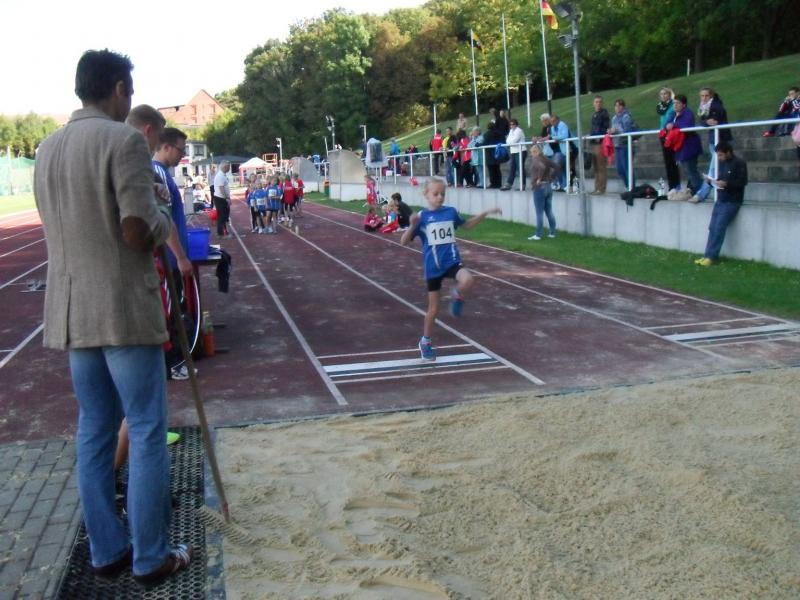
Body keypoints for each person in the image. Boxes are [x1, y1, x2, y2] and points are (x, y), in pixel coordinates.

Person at [33, 49, 192, 587]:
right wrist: (161, 212)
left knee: (95, 431)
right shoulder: (123, 141)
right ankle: (151, 557)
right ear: (120, 88)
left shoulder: (47, 148)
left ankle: (107, 550)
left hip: (73, 311)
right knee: (146, 430)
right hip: (123, 308)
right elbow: (135, 230)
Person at [400, 178, 501, 361]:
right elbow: (403, 241)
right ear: (426, 195)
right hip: (433, 268)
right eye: (435, 194)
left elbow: (467, 225)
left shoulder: (450, 212)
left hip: (452, 262)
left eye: (443, 194)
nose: (440, 197)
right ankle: (425, 341)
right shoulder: (422, 217)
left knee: (468, 279)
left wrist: (485, 213)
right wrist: (413, 225)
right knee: (434, 309)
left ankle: (457, 293)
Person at [152, 127, 196, 381]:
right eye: (181, 149)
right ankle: (174, 364)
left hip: (170, 259)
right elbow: (164, 220)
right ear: (167, 147)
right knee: (173, 313)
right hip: (167, 261)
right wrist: (179, 257)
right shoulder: (158, 173)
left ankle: (174, 362)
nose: (182, 155)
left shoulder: (163, 173)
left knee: (176, 310)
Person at [694, 141, 748, 266]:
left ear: (728, 152)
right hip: (721, 199)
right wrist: (711, 181)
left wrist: (727, 184)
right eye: (718, 155)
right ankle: (707, 255)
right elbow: (720, 180)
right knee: (712, 227)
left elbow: (742, 182)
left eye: (721, 155)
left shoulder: (739, 163)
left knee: (719, 228)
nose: (719, 158)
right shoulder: (722, 164)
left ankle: (712, 257)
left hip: (732, 201)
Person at [689, 87, 733, 203]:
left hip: (721, 140)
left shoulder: (716, 106)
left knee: (713, 169)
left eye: (706, 96)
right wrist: (706, 122)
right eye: (702, 96)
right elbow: (703, 121)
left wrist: (706, 122)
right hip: (713, 140)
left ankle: (701, 195)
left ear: (711, 96)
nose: (704, 98)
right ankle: (717, 195)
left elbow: (714, 122)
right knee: (716, 169)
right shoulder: (704, 107)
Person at [666, 94, 704, 194]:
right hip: (680, 146)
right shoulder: (673, 114)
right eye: (674, 103)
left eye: (678, 103)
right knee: (687, 170)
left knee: (691, 169)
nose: (675, 105)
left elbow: (687, 125)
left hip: (690, 145)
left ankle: (700, 191)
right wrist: (670, 125)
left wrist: (673, 125)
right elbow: (667, 124)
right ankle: (697, 190)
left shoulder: (688, 113)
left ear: (684, 104)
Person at [527, 144, 560, 240]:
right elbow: (557, 167)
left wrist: (539, 179)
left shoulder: (536, 159)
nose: (531, 154)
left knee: (539, 212)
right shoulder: (546, 159)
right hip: (548, 186)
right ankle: (552, 233)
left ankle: (538, 235)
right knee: (549, 211)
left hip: (539, 187)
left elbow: (541, 167)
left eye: (532, 152)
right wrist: (552, 177)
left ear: (536, 151)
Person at [608, 99, 636, 190]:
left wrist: (616, 130)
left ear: (623, 107)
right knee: (619, 169)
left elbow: (627, 131)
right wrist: (610, 131)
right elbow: (613, 130)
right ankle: (627, 186)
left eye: (619, 105)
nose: (617, 107)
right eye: (616, 105)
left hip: (625, 145)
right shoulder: (614, 118)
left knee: (627, 167)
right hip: (617, 145)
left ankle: (631, 187)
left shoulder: (626, 116)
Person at [656, 87, 681, 192]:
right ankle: (671, 185)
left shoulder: (673, 105)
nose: (663, 96)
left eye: (665, 93)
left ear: (670, 95)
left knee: (673, 161)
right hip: (663, 134)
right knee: (667, 161)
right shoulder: (660, 106)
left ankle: (677, 184)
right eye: (661, 94)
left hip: (672, 134)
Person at [589, 95, 610, 194]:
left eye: (600, 102)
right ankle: (596, 187)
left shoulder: (604, 113)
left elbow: (604, 128)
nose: (598, 104)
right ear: (593, 103)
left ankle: (601, 188)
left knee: (601, 166)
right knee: (596, 167)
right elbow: (593, 128)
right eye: (596, 102)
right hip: (594, 142)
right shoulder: (594, 114)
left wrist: (596, 135)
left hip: (600, 142)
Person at [547, 114, 571, 191]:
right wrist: (555, 138)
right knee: (559, 168)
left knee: (563, 168)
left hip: (565, 150)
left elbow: (564, 136)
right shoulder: (552, 128)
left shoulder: (562, 125)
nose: (552, 123)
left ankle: (565, 185)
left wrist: (555, 138)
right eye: (551, 121)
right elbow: (553, 137)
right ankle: (562, 185)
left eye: (554, 121)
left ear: (558, 120)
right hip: (557, 150)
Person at [502, 119, 526, 190]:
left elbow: (514, 141)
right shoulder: (511, 131)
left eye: (513, 124)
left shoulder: (519, 131)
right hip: (513, 151)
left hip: (521, 151)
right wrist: (509, 141)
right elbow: (507, 141)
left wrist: (509, 141)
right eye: (510, 124)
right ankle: (509, 184)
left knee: (520, 168)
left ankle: (522, 184)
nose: (511, 126)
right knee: (512, 167)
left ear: (516, 125)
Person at [482, 122, 504, 189]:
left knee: (491, 169)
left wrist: (478, 145)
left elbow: (484, 143)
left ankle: (493, 184)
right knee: (497, 169)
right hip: (497, 153)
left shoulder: (487, 134)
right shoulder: (499, 133)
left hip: (489, 154)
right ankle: (499, 183)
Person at [212, 161, 231, 238]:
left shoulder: (223, 175)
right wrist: (226, 198)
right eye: (228, 166)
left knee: (224, 215)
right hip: (220, 198)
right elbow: (221, 188)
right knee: (222, 216)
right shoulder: (220, 176)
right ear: (224, 167)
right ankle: (221, 233)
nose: (229, 168)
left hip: (221, 198)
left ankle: (224, 232)